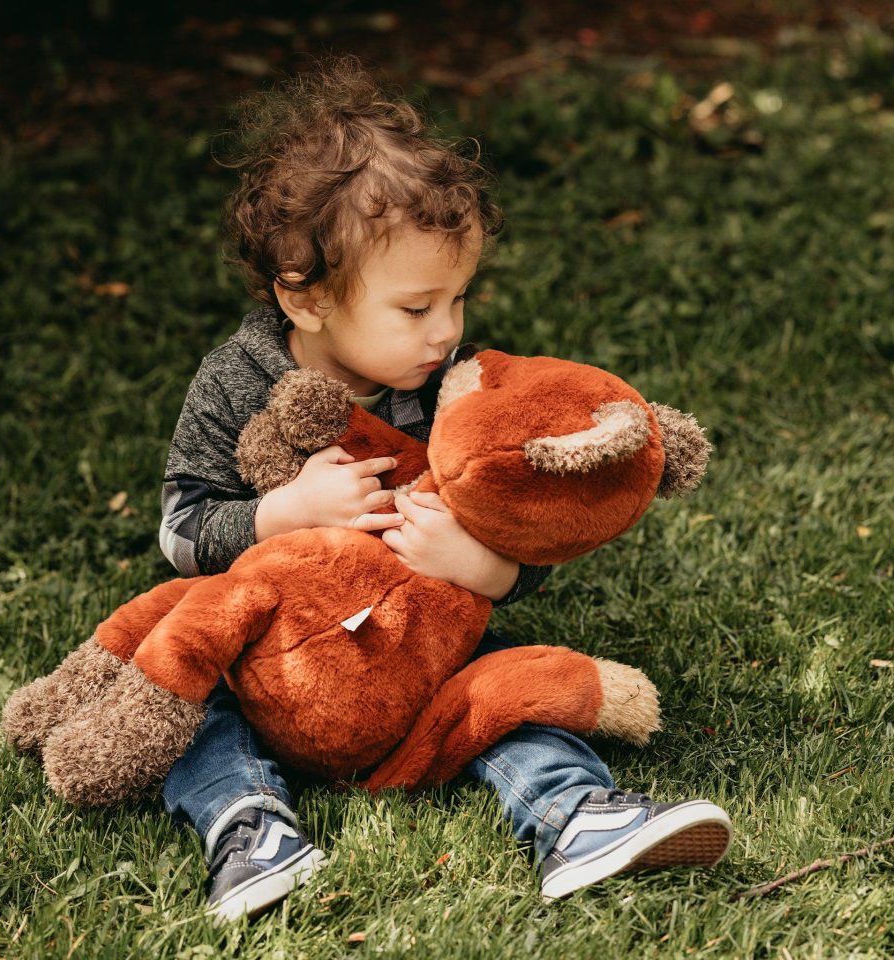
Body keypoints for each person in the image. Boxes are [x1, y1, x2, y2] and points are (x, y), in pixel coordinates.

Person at [158, 57, 732, 923]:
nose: (447, 331)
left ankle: (574, 812)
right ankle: (246, 825)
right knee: (187, 693)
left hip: (417, 649)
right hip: (266, 655)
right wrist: (283, 514)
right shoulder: (236, 382)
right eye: (416, 308)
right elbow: (180, 530)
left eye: (457, 299)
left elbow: (528, 520)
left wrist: (484, 567)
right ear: (305, 300)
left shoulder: (455, 387)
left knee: (503, 689)